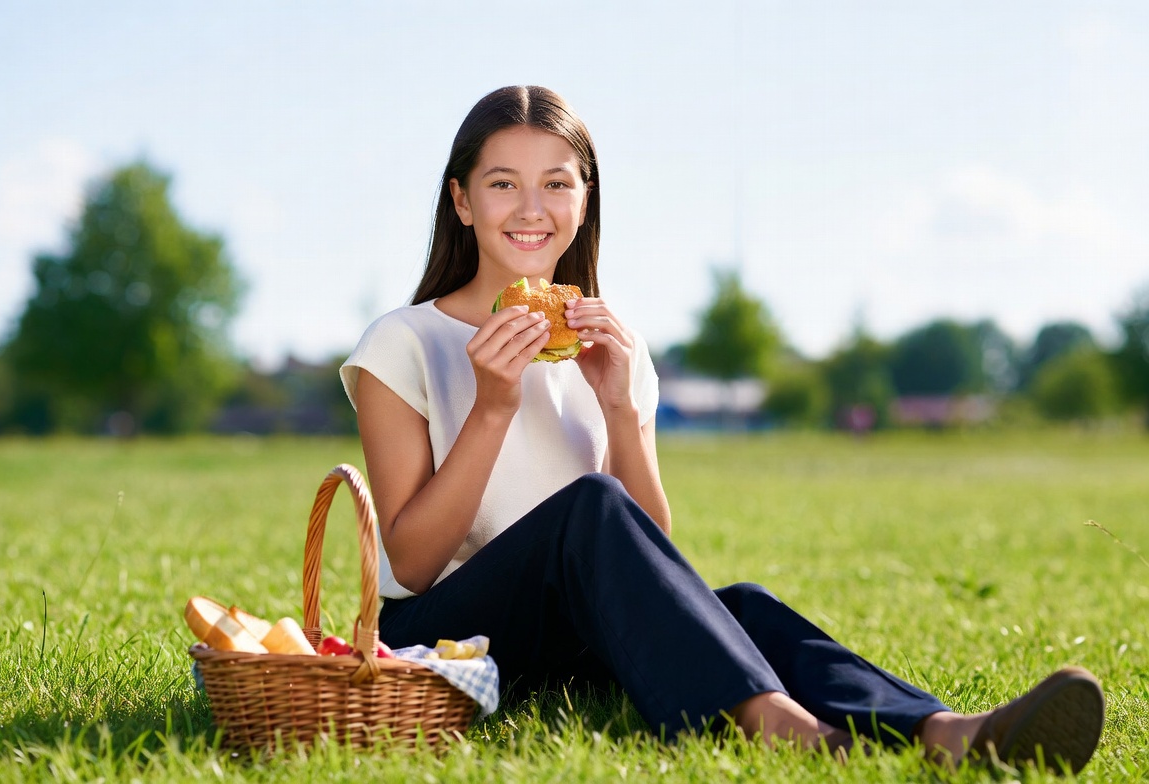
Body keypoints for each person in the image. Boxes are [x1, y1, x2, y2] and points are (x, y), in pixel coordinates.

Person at [340, 85, 1105, 772]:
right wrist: (492, 409)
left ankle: (950, 733)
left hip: (571, 644)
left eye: (557, 183)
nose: (531, 208)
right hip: (440, 643)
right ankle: (784, 729)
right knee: (590, 506)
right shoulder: (403, 343)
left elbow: (651, 554)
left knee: (738, 605)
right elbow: (410, 564)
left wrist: (622, 410)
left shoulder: (611, 347)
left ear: (586, 199)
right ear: (463, 201)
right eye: (503, 183)